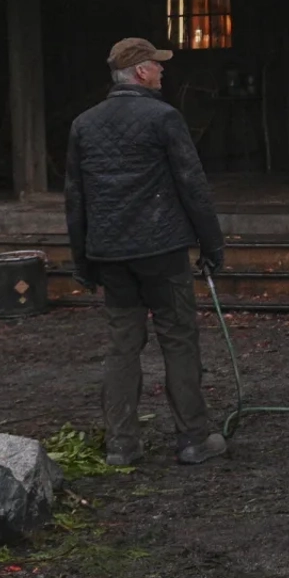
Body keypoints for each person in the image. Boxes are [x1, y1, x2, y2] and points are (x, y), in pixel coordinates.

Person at [66, 37, 227, 467]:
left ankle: (121, 445)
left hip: (110, 253)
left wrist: (82, 260)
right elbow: (192, 184)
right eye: (157, 65)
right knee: (178, 339)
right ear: (140, 72)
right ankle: (193, 438)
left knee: (122, 345)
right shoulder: (164, 118)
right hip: (162, 249)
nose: (162, 71)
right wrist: (211, 245)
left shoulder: (84, 124)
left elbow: (75, 198)